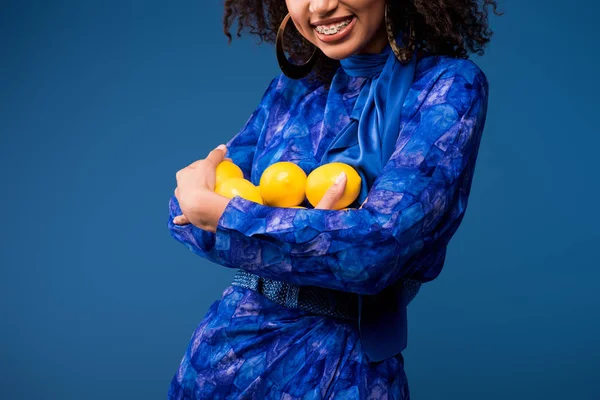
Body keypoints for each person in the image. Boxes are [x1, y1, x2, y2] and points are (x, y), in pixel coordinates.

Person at [168, 0, 500, 398]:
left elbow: (376, 251)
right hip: (221, 360)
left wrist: (226, 215)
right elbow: (184, 218)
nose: (322, 5)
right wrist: (317, 233)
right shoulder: (292, 90)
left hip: (341, 371)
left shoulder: (449, 87)